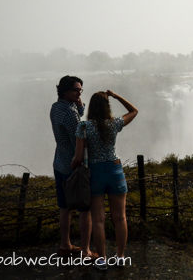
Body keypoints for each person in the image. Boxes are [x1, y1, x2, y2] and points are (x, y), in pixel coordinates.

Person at [71, 90, 138, 270]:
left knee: (98, 220)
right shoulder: (114, 123)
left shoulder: (83, 127)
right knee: (120, 217)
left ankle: (102, 259)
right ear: (107, 107)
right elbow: (134, 111)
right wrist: (116, 96)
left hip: (95, 173)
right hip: (115, 170)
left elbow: (78, 157)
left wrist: (71, 167)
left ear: (91, 107)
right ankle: (121, 256)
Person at [50, 75, 95, 259]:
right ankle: (86, 251)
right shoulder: (70, 113)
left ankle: (65, 245)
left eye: (81, 90)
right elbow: (80, 138)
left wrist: (78, 99)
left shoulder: (56, 107)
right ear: (64, 91)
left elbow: (80, 111)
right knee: (85, 209)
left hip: (59, 163)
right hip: (74, 167)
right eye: (76, 90)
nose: (79, 93)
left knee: (65, 208)